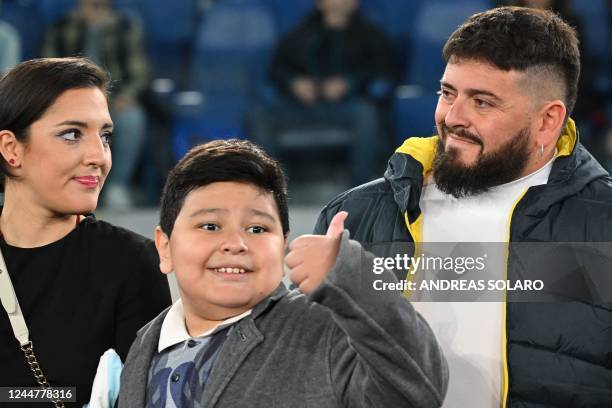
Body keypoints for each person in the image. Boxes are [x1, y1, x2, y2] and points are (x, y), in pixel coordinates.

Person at [314, 6, 612, 407]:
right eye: (447, 93)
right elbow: (316, 374)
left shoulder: (604, 221)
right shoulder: (354, 215)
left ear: (547, 121)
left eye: (483, 103)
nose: (452, 117)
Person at [117, 139, 448, 407]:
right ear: (165, 247)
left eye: (258, 228)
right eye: (210, 226)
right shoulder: (146, 343)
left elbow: (417, 390)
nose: (236, 243)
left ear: (283, 244)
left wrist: (350, 274)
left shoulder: (328, 330)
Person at [0, 57, 171, 407]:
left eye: (105, 136)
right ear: (11, 149)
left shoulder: (130, 263)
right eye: (71, 134)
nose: (99, 155)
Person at [248, 0, 400, 186]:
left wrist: (349, 84)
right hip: (301, 106)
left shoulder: (370, 35)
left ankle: (359, 189)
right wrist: (294, 83)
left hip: (346, 108)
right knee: (259, 115)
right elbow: (277, 70)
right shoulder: (301, 33)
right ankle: (271, 187)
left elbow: (384, 71)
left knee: (367, 115)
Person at [43, 0, 150, 209]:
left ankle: (117, 186)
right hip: (69, 98)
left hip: (114, 99)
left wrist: (127, 96)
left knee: (132, 118)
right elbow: (48, 70)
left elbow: (139, 73)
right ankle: (66, 184)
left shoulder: (126, 25)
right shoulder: (62, 24)